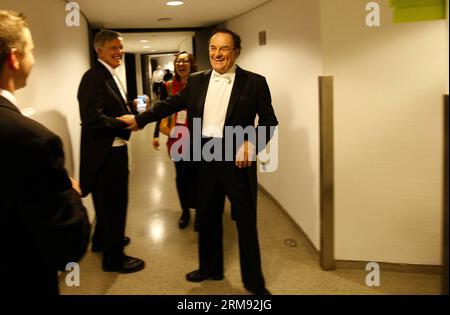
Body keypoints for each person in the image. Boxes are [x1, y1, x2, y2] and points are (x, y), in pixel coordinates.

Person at [119, 29, 278, 295]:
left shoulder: (255, 83)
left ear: (236, 51)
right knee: (207, 216)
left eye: (224, 49)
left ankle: (254, 282)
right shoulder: (195, 81)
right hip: (204, 158)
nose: (217, 54)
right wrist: (140, 119)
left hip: (236, 161)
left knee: (246, 223)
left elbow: (269, 121)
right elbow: (168, 105)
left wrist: (252, 143)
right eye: (213, 48)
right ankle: (210, 268)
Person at [0, 10, 90, 295]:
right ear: (15, 58)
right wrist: (72, 193)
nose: (34, 59)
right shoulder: (35, 141)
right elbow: (67, 245)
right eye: (32, 51)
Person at [77, 29, 144, 273]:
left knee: (107, 203)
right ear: (100, 50)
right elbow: (92, 119)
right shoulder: (93, 77)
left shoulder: (106, 74)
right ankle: (113, 258)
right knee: (115, 204)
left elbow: (107, 108)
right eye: (114, 48)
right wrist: (124, 121)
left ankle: (103, 241)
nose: (119, 52)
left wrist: (127, 109)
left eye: (120, 47)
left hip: (111, 150)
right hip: (106, 154)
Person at [152, 52, 199, 231]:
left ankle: (201, 211)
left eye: (185, 61)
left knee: (198, 176)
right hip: (176, 139)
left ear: (191, 64)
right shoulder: (168, 85)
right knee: (181, 177)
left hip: (198, 139)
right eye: (178, 61)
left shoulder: (200, 83)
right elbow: (161, 110)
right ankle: (185, 210)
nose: (181, 64)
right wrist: (155, 134)